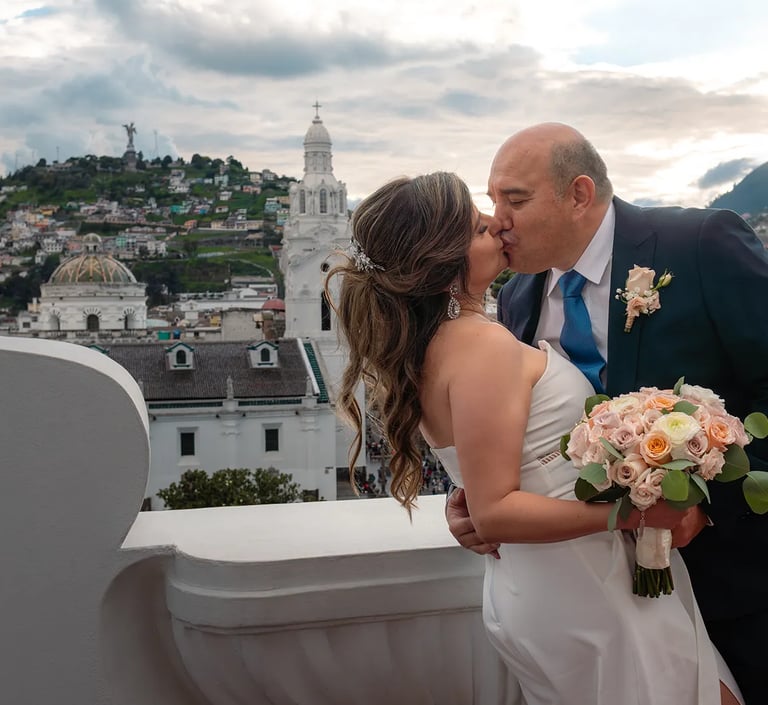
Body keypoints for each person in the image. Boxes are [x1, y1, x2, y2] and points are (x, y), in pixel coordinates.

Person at [327, 171, 741, 705]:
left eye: (508, 201)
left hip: (565, 579)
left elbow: (498, 465)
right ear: (442, 259)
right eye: (479, 227)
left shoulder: (437, 346)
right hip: (584, 585)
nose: (497, 226)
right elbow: (496, 511)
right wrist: (634, 514)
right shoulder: (483, 347)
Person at [447, 122, 768, 705]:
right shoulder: (516, 299)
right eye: (492, 200)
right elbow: (520, 436)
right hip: (597, 600)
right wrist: (473, 502)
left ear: (579, 194)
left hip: (734, 581)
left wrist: (705, 503)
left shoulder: (699, 244)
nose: (498, 220)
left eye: (514, 199)